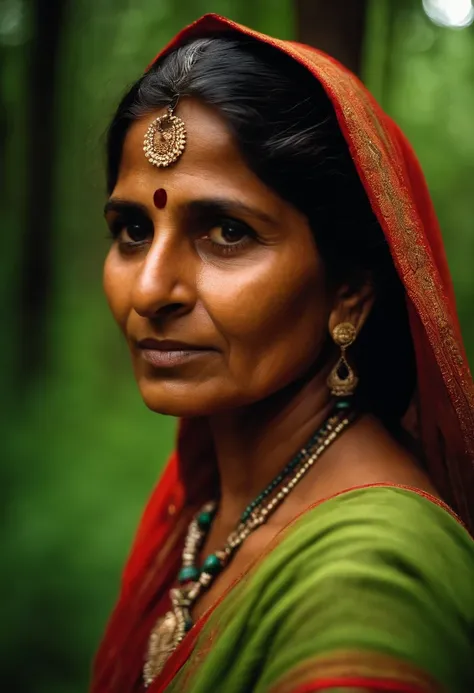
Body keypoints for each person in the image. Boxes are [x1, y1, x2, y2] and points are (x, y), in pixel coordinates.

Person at [91, 13, 474, 693]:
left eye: (227, 231)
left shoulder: (370, 575)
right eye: (132, 229)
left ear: (349, 292)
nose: (150, 289)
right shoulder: (211, 513)